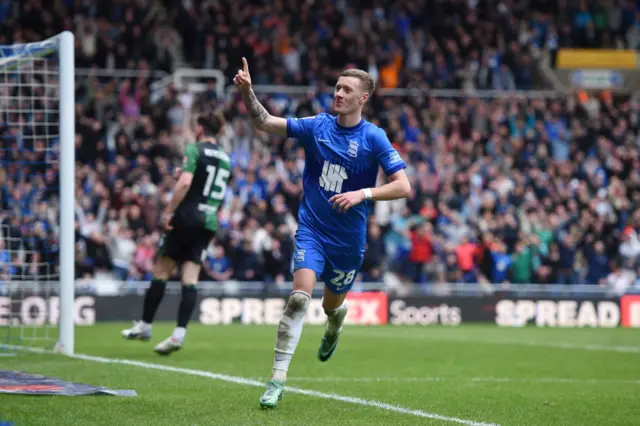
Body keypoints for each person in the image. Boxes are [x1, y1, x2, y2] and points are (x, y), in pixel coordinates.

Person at [233, 58, 411, 408]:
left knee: (332, 306)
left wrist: (365, 193)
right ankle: (277, 380)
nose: (339, 93)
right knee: (299, 299)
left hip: (348, 242)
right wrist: (247, 92)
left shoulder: (374, 137)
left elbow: (403, 186)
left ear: (363, 98)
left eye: (347, 90)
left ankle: (335, 324)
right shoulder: (317, 126)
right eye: (337, 87)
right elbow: (264, 122)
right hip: (312, 230)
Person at [120, 110, 232, 356]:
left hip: (187, 217)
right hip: (208, 221)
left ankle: (145, 325)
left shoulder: (195, 149)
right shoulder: (225, 158)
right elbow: (213, 186)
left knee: (161, 271)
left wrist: (169, 211)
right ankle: (179, 334)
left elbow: (184, 183)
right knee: (190, 278)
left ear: (201, 127)